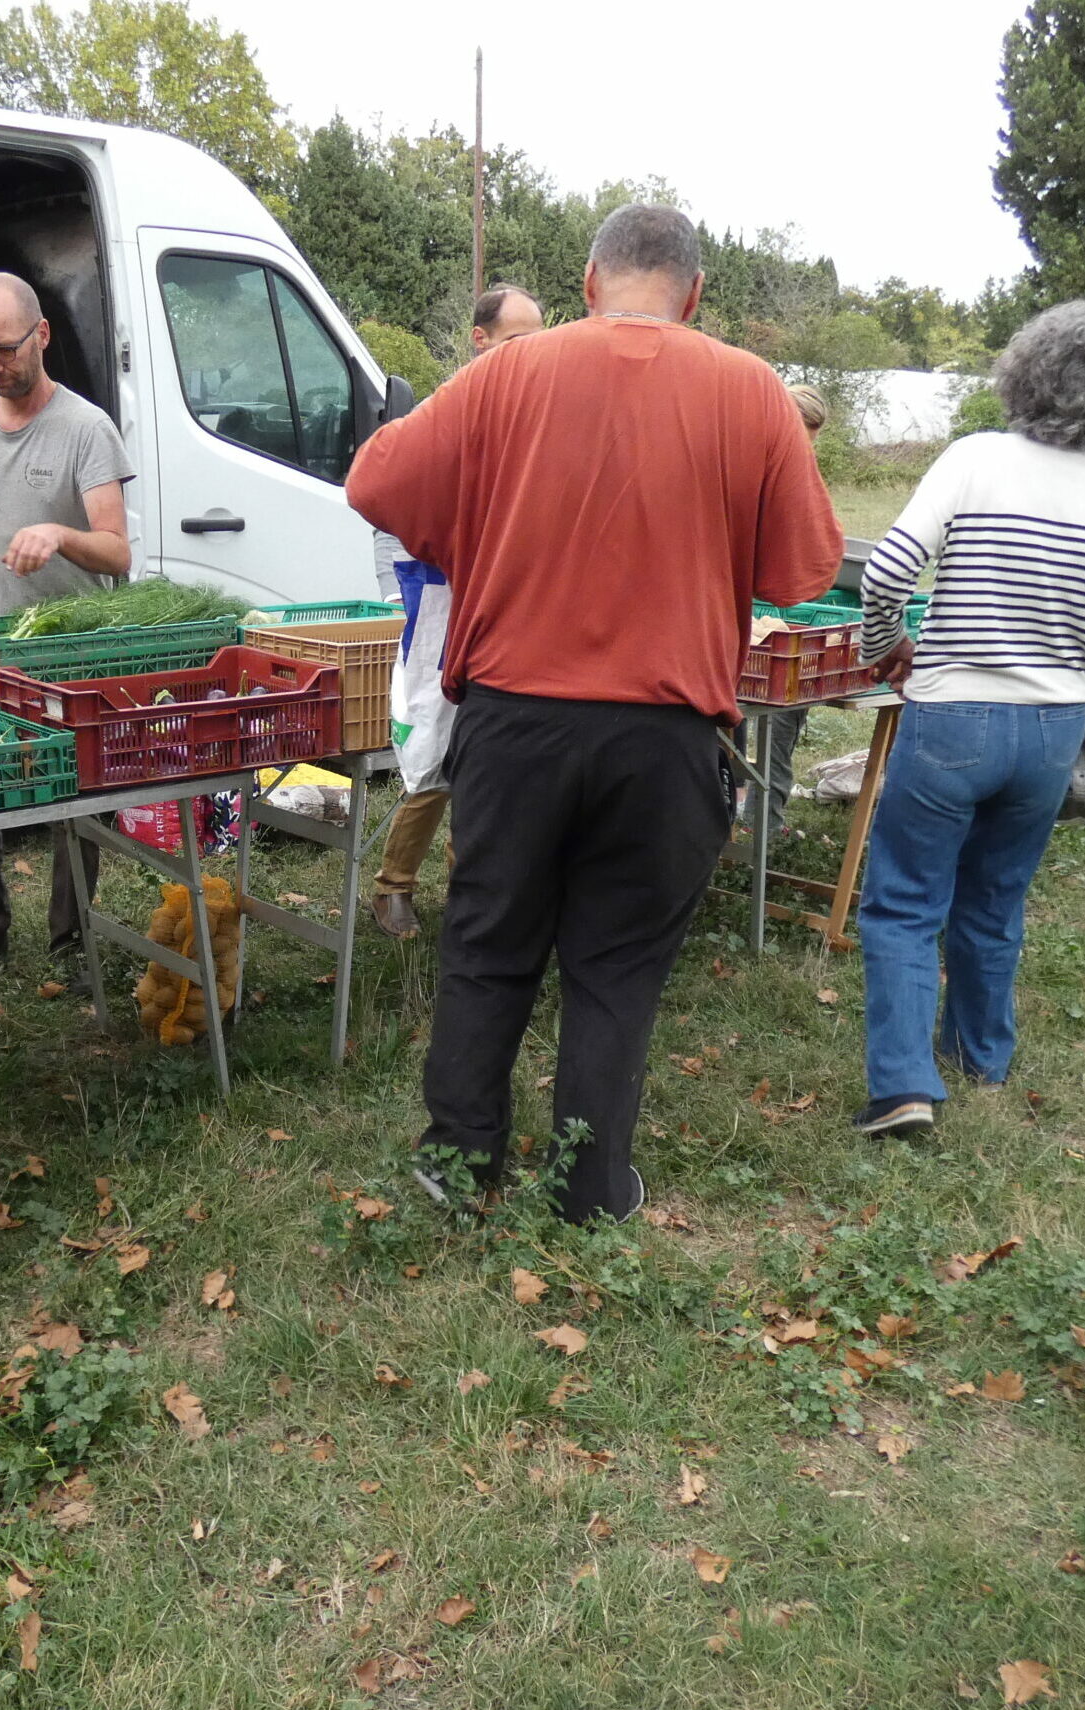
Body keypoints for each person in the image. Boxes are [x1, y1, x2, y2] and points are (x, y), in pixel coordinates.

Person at [347, 205, 843, 1223]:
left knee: (488, 945)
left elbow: (376, 480)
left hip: (515, 720)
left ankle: (461, 1168)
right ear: (694, 293)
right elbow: (804, 568)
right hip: (666, 736)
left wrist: (478, 528)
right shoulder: (750, 391)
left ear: (587, 282)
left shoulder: (504, 373)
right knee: (616, 968)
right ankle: (588, 1188)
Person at [853, 299, 1085, 1139]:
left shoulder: (976, 460)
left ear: (1026, 371)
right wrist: (1071, 638)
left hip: (953, 717)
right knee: (996, 899)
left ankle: (902, 1087)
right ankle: (982, 1057)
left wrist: (889, 646)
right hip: (1052, 731)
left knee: (904, 900)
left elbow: (886, 572)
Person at [0, 272, 136, 982]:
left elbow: (116, 549)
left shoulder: (87, 429)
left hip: (68, 646)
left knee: (77, 791)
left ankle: (72, 938)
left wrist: (58, 533)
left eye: (5, 349)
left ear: (41, 335)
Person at [371, 282, 545, 941]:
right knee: (436, 750)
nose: (529, 355)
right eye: (516, 340)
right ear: (481, 340)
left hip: (509, 609)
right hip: (444, 608)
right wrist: (402, 592)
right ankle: (393, 887)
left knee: (492, 758)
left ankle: (468, 892)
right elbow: (382, 498)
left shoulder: (534, 420)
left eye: (537, 340)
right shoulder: (447, 415)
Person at [747, 381, 837, 831]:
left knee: (779, 725)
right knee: (731, 726)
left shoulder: (801, 477)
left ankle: (765, 822)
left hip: (782, 620)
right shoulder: (742, 463)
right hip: (740, 615)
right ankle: (732, 814)